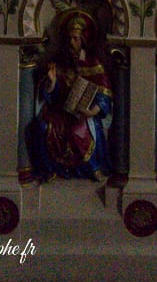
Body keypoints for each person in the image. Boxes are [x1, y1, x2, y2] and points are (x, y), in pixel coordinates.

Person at [30, 13, 113, 182]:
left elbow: (104, 94)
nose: (71, 42)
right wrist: (52, 82)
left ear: (83, 39)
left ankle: (93, 168)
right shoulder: (58, 62)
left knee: (79, 132)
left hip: (83, 113)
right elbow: (49, 94)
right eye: (69, 38)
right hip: (60, 110)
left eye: (75, 38)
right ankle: (50, 169)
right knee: (42, 127)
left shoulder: (93, 64)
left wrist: (92, 111)